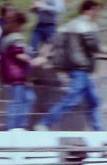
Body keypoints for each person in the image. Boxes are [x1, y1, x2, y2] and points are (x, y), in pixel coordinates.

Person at [34, 0, 103, 131]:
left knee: (93, 101)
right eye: (97, 10)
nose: (98, 13)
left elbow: (55, 38)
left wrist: (44, 54)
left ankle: (98, 130)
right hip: (80, 69)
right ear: (89, 10)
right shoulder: (85, 25)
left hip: (82, 70)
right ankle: (45, 123)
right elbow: (95, 47)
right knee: (72, 99)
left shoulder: (72, 24)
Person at [0, 11, 47, 130]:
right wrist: (33, 61)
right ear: (18, 24)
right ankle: (12, 128)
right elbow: (18, 54)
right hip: (16, 76)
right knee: (17, 102)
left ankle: (20, 126)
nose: (24, 27)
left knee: (29, 98)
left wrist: (38, 54)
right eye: (23, 24)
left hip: (20, 76)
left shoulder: (11, 37)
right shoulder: (13, 38)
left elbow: (22, 51)